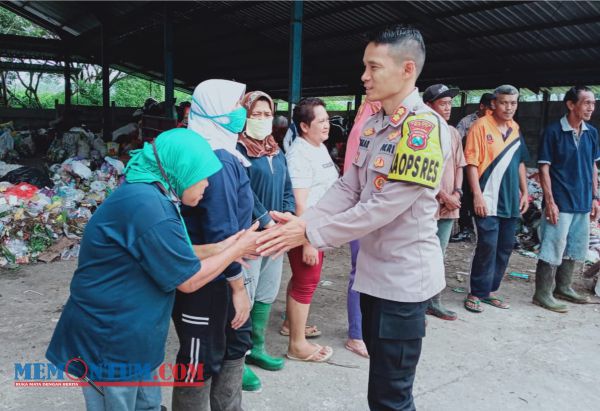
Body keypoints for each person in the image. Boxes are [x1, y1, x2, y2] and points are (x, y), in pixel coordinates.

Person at [256, 25, 450, 410]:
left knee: (391, 395)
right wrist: (304, 222)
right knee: (380, 388)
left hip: (403, 282)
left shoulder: (423, 129)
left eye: (373, 67)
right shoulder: (376, 125)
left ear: (407, 70)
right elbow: (349, 187)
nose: (364, 76)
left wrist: (309, 230)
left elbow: (384, 206)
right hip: (373, 279)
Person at [45, 128, 258, 411]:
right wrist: (234, 250)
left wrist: (226, 245)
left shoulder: (153, 196)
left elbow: (171, 251)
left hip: (134, 339)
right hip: (111, 339)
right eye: (202, 175)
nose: (207, 184)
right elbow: (189, 279)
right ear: (182, 169)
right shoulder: (148, 205)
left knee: (147, 405)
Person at [172, 79, 255, 409]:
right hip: (208, 277)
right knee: (199, 359)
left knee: (235, 344)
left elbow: (244, 205)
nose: (241, 112)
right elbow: (221, 233)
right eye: (235, 104)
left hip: (225, 269)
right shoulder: (214, 159)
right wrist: (237, 287)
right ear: (216, 109)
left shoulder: (229, 153)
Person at [236, 91, 295, 386]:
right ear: (244, 115)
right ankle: (238, 358)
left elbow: (287, 185)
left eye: (267, 114)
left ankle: (256, 347)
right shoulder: (238, 150)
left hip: (276, 232)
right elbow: (244, 191)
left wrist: (288, 216)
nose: (262, 120)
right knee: (244, 293)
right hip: (250, 233)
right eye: (255, 114)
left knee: (266, 290)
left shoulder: (274, 149)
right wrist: (266, 221)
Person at [280, 97, 339, 362]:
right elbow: (300, 204)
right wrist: (308, 241)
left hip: (318, 228)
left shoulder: (318, 147)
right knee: (307, 281)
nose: (327, 125)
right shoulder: (300, 154)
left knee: (302, 278)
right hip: (307, 230)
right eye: (321, 121)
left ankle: (290, 325)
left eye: (327, 120)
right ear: (304, 126)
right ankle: (297, 345)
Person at [463, 85, 529, 313]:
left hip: (510, 200)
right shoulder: (480, 127)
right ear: (494, 104)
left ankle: (489, 291)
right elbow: (471, 163)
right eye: (504, 102)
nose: (509, 107)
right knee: (487, 246)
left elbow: (520, 162)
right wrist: (477, 196)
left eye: (513, 103)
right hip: (488, 199)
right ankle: (475, 291)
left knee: (505, 247)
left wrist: (525, 192)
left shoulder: (515, 128)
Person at [533, 85, 599, 312]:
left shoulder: (592, 132)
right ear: (571, 105)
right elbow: (543, 169)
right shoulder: (553, 132)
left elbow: (592, 167)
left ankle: (563, 287)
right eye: (586, 102)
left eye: (593, 102)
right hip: (560, 202)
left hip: (581, 201)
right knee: (553, 246)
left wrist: (595, 197)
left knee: (575, 246)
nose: (591, 107)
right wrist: (549, 201)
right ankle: (542, 293)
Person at [423, 84, 466, 321]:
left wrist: (457, 192)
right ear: (429, 106)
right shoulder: (422, 131)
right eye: (443, 103)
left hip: (450, 205)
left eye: (450, 103)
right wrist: (442, 195)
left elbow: (460, 164)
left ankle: (434, 301)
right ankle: (418, 301)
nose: (448, 108)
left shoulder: (452, 132)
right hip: (430, 204)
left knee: (440, 254)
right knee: (423, 253)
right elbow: (419, 171)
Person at [342, 99, 381, 358]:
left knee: (374, 271)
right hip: (363, 209)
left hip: (374, 210)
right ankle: (356, 334)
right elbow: (353, 177)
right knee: (362, 271)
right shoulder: (365, 128)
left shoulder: (379, 123)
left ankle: (366, 328)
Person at [452, 93, 495, 242]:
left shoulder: (496, 123)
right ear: (482, 106)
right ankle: (465, 229)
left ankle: (484, 230)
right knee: (466, 197)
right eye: (490, 107)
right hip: (468, 165)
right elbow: (455, 142)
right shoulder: (467, 122)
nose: (493, 111)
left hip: (488, 167)